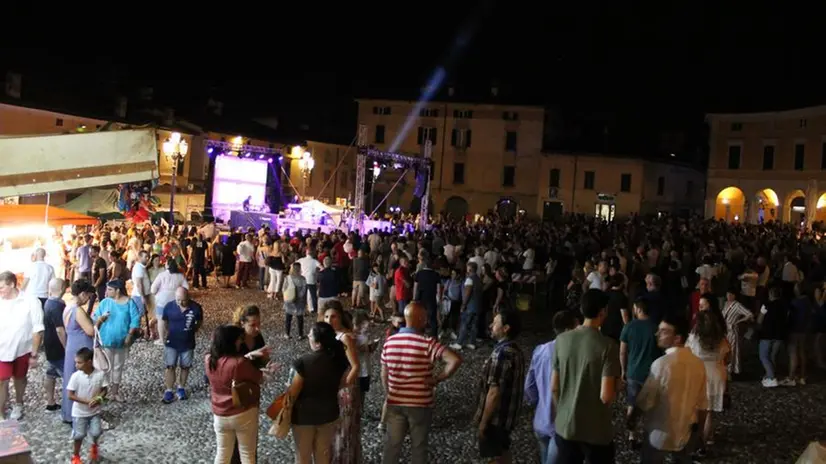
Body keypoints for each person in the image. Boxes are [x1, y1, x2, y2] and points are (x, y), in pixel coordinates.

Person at [381, 301, 463, 464]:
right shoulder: (427, 343)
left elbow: (384, 373)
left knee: (391, 446)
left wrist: (389, 394)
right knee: (419, 447)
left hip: (395, 401)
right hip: (420, 404)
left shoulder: (389, 342)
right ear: (420, 319)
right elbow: (454, 360)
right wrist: (437, 379)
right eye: (425, 318)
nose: (427, 321)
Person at [551, 289, 620, 463]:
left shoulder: (562, 340)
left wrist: (562, 409)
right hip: (596, 429)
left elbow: (554, 387)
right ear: (603, 311)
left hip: (566, 425)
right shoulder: (608, 346)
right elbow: (606, 396)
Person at [629, 315, 708, 463]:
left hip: (659, 431)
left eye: (664, 331)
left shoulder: (661, 364)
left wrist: (633, 417)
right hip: (687, 431)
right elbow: (702, 403)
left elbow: (646, 400)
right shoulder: (698, 364)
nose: (658, 334)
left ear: (677, 338)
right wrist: (700, 434)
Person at [288, 322, 351, 464]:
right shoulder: (339, 362)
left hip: (304, 418)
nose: (309, 337)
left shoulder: (303, 363)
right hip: (329, 415)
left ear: (317, 343)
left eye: (310, 335)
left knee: (303, 457)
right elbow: (342, 384)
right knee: (323, 456)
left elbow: (292, 392)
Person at [525, 310, 578, 464]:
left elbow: (529, 387)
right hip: (560, 426)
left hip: (540, 420)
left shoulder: (540, 350)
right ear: (569, 329)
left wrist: (540, 403)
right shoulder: (572, 355)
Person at [205, 325, 263, 464]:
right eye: (238, 339)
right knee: (247, 454)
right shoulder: (238, 363)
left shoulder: (208, 360)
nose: (240, 342)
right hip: (242, 412)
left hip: (219, 415)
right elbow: (257, 377)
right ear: (231, 341)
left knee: (222, 453)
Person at [474, 309, 526, 464]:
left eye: (495, 323)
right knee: (503, 453)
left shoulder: (502, 354)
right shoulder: (516, 350)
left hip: (497, 419)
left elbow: (494, 393)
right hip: (507, 418)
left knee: (495, 458)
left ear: (506, 328)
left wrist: (483, 423)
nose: (491, 326)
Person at [0, 271, 45, 420]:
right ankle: (1, 411)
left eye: (2, 288)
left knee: (19, 378)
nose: (0, 291)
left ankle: (19, 403)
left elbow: (37, 328)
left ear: (12, 284)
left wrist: (34, 353)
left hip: (22, 350)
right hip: (2, 349)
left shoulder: (30, 301)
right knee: (1, 381)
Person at [322, 301, 362, 464]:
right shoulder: (327, 336)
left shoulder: (345, 337)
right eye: (326, 317)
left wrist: (343, 387)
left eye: (333, 316)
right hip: (331, 388)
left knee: (344, 431)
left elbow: (355, 366)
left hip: (344, 390)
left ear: (340, 317)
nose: (329, 320)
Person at [686, 311, 730, 457]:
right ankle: (706, 440)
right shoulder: (721, 339)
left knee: (697, 411)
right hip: (716, 375)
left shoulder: (694, 338)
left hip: (697, 374)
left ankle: (696, 442)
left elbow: (686, 353)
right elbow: (728, 358)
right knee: (709, 412)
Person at [92, 279, 141, 402]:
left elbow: (135, 319)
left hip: (122, 340)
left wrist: (130, 334)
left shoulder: (129, 303)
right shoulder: (105, 302)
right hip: (105, 340)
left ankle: (115, 392)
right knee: (104, 367)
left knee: (118, 366)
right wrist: (101, 319)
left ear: (117, 290)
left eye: (110, 289)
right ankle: (103, 392)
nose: (107, 292)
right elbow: (95, 317)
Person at [619, 299, 660, 445]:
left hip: (633, 371)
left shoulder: (629, 327)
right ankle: (649, 435)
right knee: (651, 406)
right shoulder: (655, 328)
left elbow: (623, 352)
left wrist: (623, 370)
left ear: (638, 309)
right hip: (652, 373)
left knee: (632, 403)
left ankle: (632, 435)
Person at [62, 279, 97, 424]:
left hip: (72, 344)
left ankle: (68, 412)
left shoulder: (68, 307)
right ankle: (80, 414)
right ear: (82, 294)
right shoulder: (78, 310)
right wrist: (99, 321)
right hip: (81, 346)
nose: (88, 299)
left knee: (71, 378)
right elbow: (90, 331)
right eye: (88, 295)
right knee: (82, 381)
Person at [161, 287, 203, 404]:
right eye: (178, 300)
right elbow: (165, 321)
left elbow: (199, 322)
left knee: (185, 366)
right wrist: (167, 333)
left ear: (188, 297)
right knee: (170, 366)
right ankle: (169, 390)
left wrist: (192, 330)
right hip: (172, 341)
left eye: (183, 300)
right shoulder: (169, 306)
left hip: (188, 342)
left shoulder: (196, 308)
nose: (180, 302)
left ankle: (181, 388)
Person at [67, 347, 108, 464]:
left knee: (96, 432)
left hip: (94, 412)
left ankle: (94, 447)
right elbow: (70, 395)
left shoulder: (100, 375)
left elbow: (104, 389)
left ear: (89, 362)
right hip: (79, 413)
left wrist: (99, 398)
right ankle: (76, 456)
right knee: (79, 435)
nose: (76, 365)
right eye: (76, 362)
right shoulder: (76, 376)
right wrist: (87, 401)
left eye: (79, 362)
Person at [42, 278, 67, 412]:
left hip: (49, 343)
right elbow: (60, 329)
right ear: (63, 288)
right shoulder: (57, 306)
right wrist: (67, 346)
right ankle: (69, 404)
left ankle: (50, 401)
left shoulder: (48, 303)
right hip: (58, 346)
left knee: (50, 373)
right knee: (67, 374)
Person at [757, 286, 789, 388]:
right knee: (773, 356)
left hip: (767, 334)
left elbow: (759, 320)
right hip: (780, 335)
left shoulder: (766, 305)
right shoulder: (785, 306)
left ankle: (771, 377)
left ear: (770, 294)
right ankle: (769, 375)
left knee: (764, 356)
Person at [283, 262, 308, 339]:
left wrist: (287, 297)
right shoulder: (303, 279)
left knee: (288, 318)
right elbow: (304, 290)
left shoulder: (288, 278)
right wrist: (299, 297)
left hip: (289, 300)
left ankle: (287, 334)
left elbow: (284, 289)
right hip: (299, 302)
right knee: (300, 318)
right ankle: (300, 334)